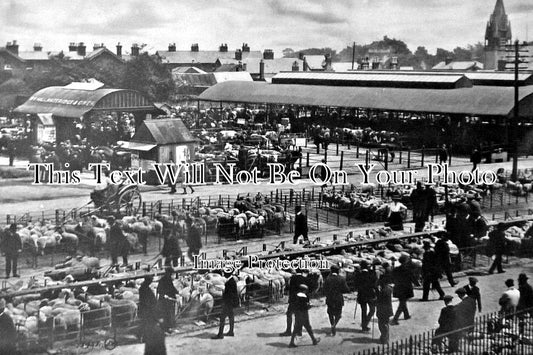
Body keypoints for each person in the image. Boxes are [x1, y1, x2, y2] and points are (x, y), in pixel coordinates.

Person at [280, 269, 308, 336]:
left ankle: (288, 330)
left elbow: (289, 287)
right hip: (301, 300)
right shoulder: (304, 278)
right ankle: (299, 331)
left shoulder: (292, 278)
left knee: (289, 315)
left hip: (293, 299)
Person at [212, 271, 239, 339]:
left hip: (228, 303)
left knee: (222, 318)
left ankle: (220, 334)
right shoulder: (232, 281)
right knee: (231, 316)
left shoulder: (229, 283)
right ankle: (231, 331)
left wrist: (223, 293)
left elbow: (228, 294)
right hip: (231, 302)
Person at [324, 265, 349, 336]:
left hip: (330, 298)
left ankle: (332, 324)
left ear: (331, 271)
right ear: (338, 271)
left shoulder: (327, 279)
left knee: (330, 313)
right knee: (338, 314)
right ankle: (334, 325)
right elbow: (346, 289)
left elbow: (324, 290)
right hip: (338, 298)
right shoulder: (341, 279)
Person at [390, 254, 415, 325]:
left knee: (402, 301)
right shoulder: (407, 269)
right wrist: (417, 283)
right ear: (406, 261)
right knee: (402, 303)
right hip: (406, 287)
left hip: (398, 287)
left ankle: (406, 315)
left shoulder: (396, 269)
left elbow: (392, 277)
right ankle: (395, 319)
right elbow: (412, 278)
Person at [450, 287, 477, 352]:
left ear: (460, 295)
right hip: (471, 322)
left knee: (462, 341)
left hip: (464, 325)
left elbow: (458, 308)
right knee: (469, 340)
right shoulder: (472, 300)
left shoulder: (463, 304)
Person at [356, 260, 377, 332]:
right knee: (372, 310)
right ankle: (365, 323)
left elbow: (356, 285)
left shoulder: (358, 274)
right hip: (370, 294)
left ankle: (364, 326)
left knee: (363, 311)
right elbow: (375, 284)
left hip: (361, 295)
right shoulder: (371, 273)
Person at [157, 268, 179, 333]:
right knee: (166, 314)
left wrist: (178, 292)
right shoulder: (163, 280)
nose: (173, 275)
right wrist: (164, 295)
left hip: (170, 301)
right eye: (172, 274)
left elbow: (172, 289)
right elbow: (159, 290)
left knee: (170, 314)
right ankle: (166, 329)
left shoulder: (168, 280)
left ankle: (169, 328)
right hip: (164, 301)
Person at [139, 275, 158, 340]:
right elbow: (145, 300)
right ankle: (145, 337)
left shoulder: (144, 287)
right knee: (147, 323)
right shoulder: (144, 288)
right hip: (147, 309)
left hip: (147, 308)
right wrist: (151, 307)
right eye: (150, 281)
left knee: (148, 323)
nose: (151, 282)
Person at [376, 275, 394, 344]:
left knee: (382, 324)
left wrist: (377, 292)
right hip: (387, 309)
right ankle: (385, 337)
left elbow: (380, 299)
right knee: (385, 324)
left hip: (383, 310)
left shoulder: (384, 290)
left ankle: (385, 338)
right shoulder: (388, 288)